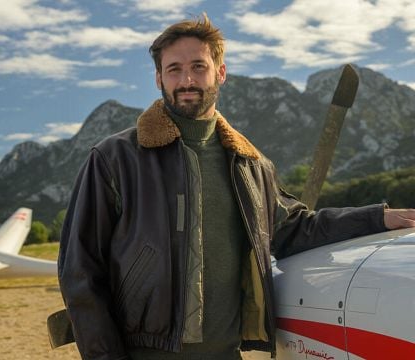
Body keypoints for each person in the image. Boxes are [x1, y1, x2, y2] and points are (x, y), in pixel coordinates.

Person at [57, 13, 415, 360]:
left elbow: (293, 228)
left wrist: (379, 219)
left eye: (198, 66)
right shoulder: (114, 158)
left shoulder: (250, 164)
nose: (187, 81)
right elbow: (79, 270)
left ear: (220, 73)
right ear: (158, 79)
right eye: (174, 69)